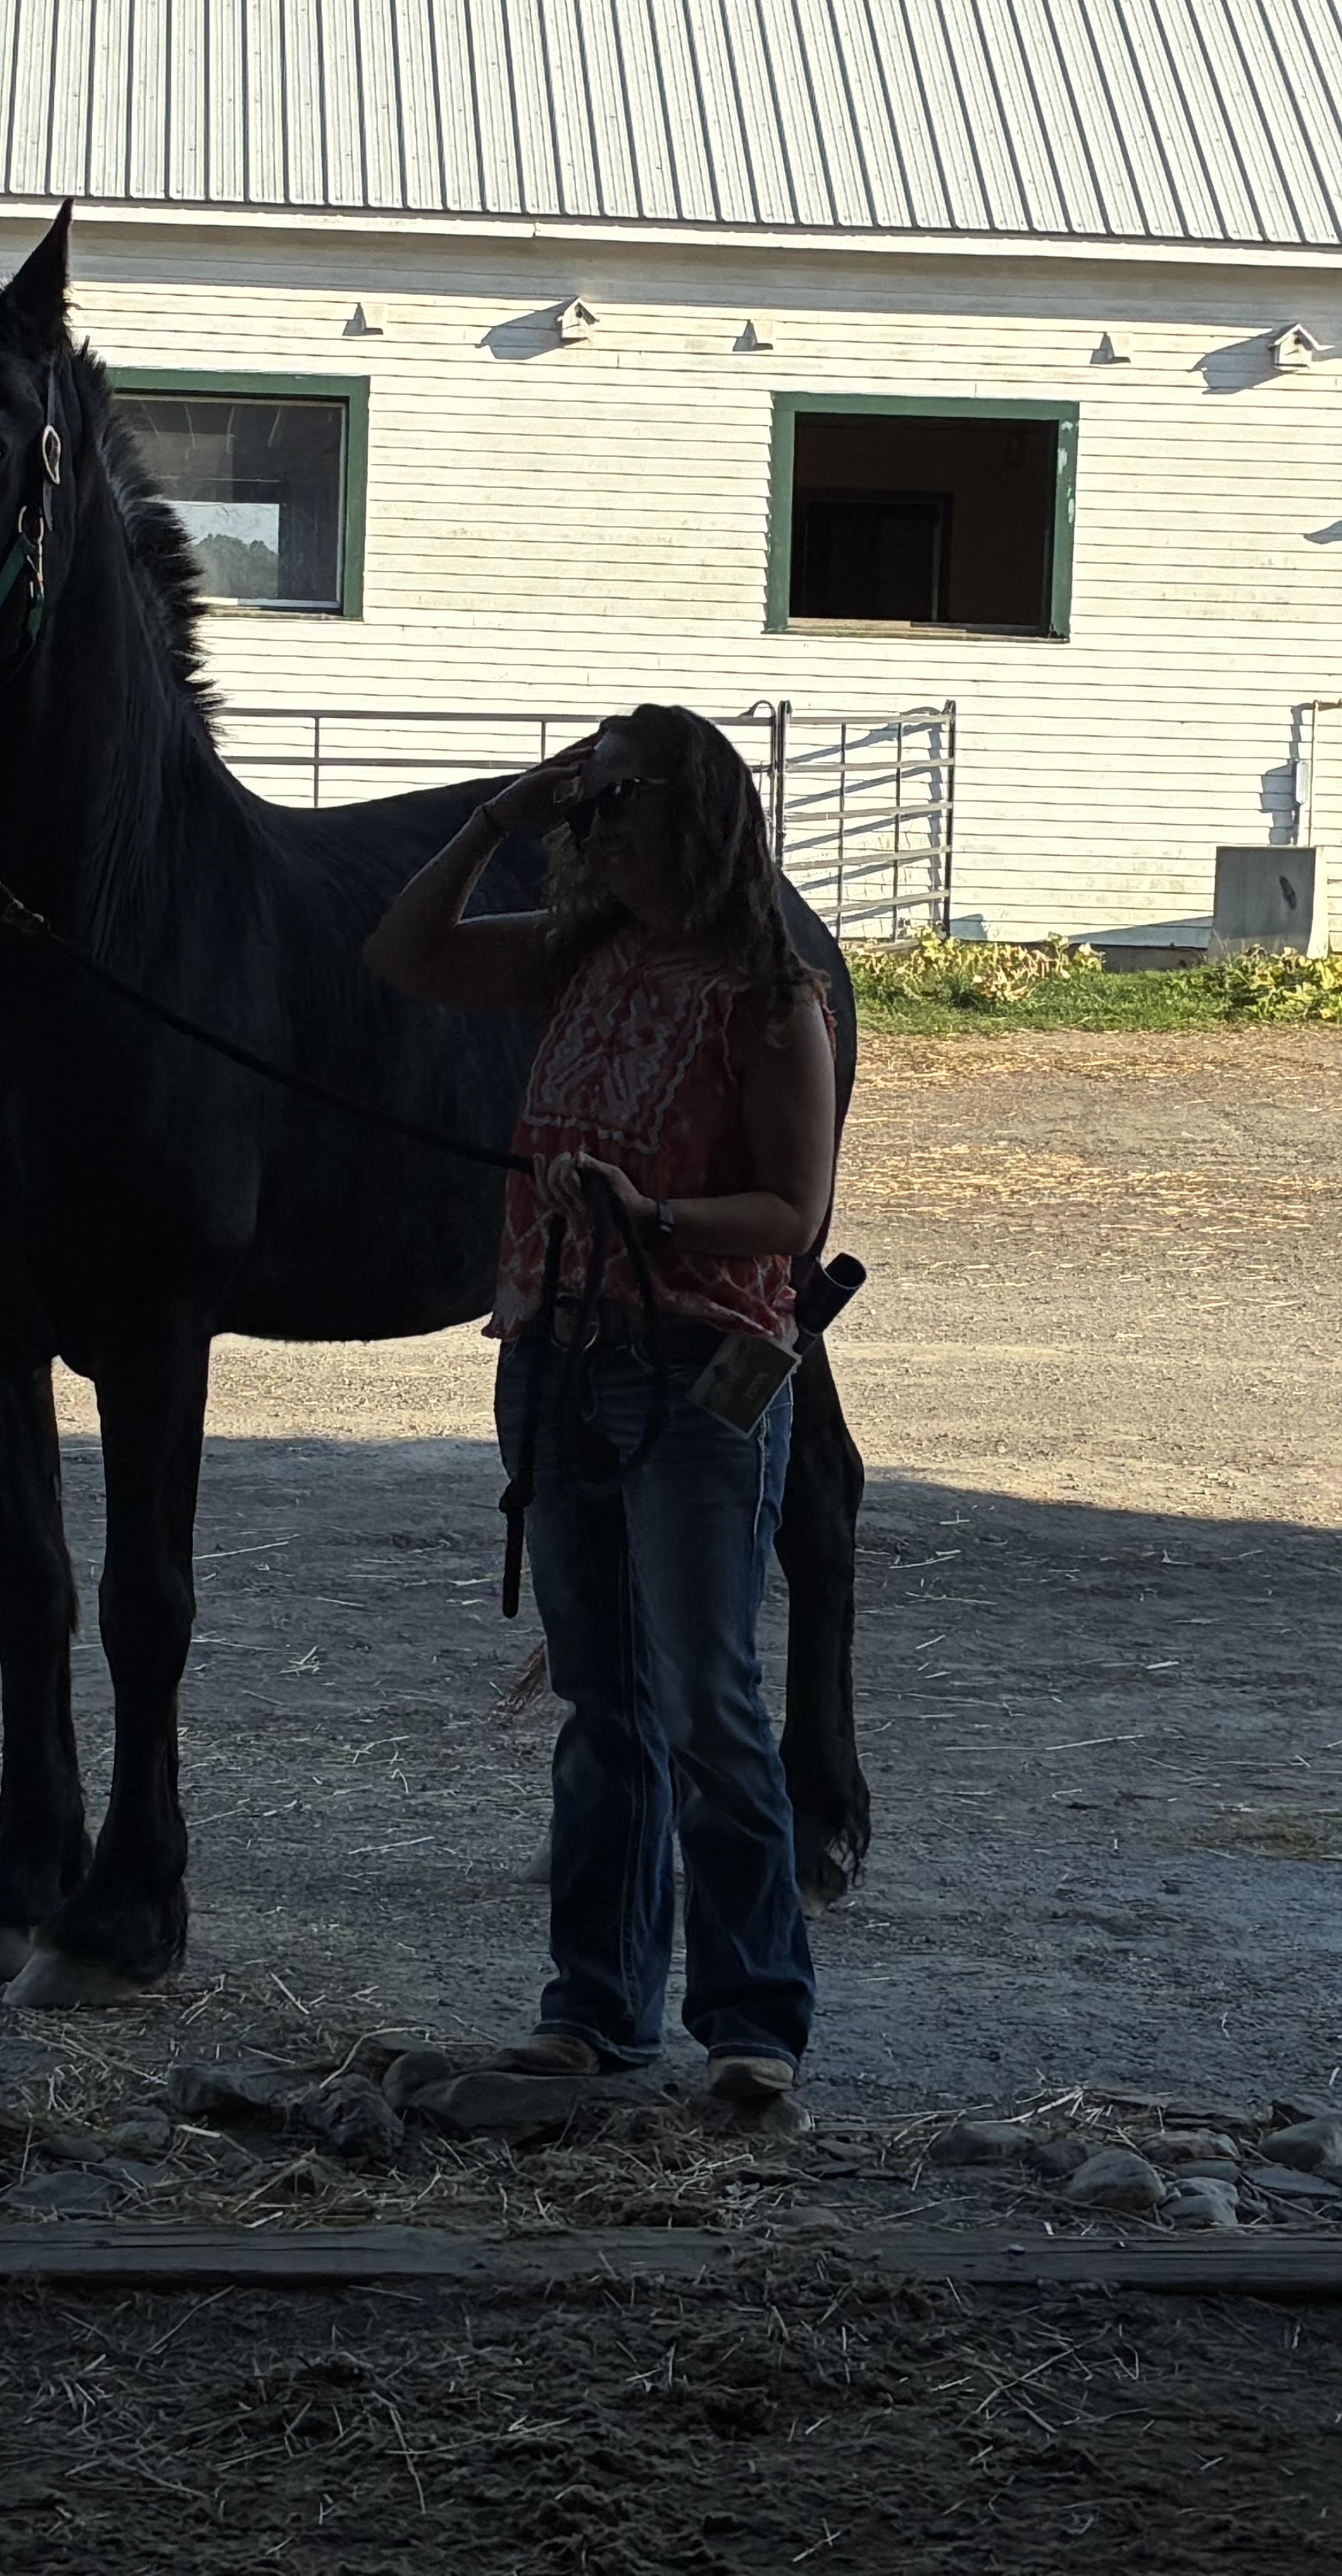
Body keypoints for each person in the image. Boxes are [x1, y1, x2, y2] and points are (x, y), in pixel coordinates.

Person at [366, 702, 838, 2114]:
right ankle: (597, 2008)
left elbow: (792, 1210)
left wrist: (655, 1213)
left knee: (708, 1704)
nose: (595, 825)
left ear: (695, 812)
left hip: (696, 1372)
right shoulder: (580, 953)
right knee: (603, 1705)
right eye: (587, 804)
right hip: (559, 1360)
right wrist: (498, 818)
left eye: (617, 799)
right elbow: (404, 952)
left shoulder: (771, 996)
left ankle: (752, 2021)